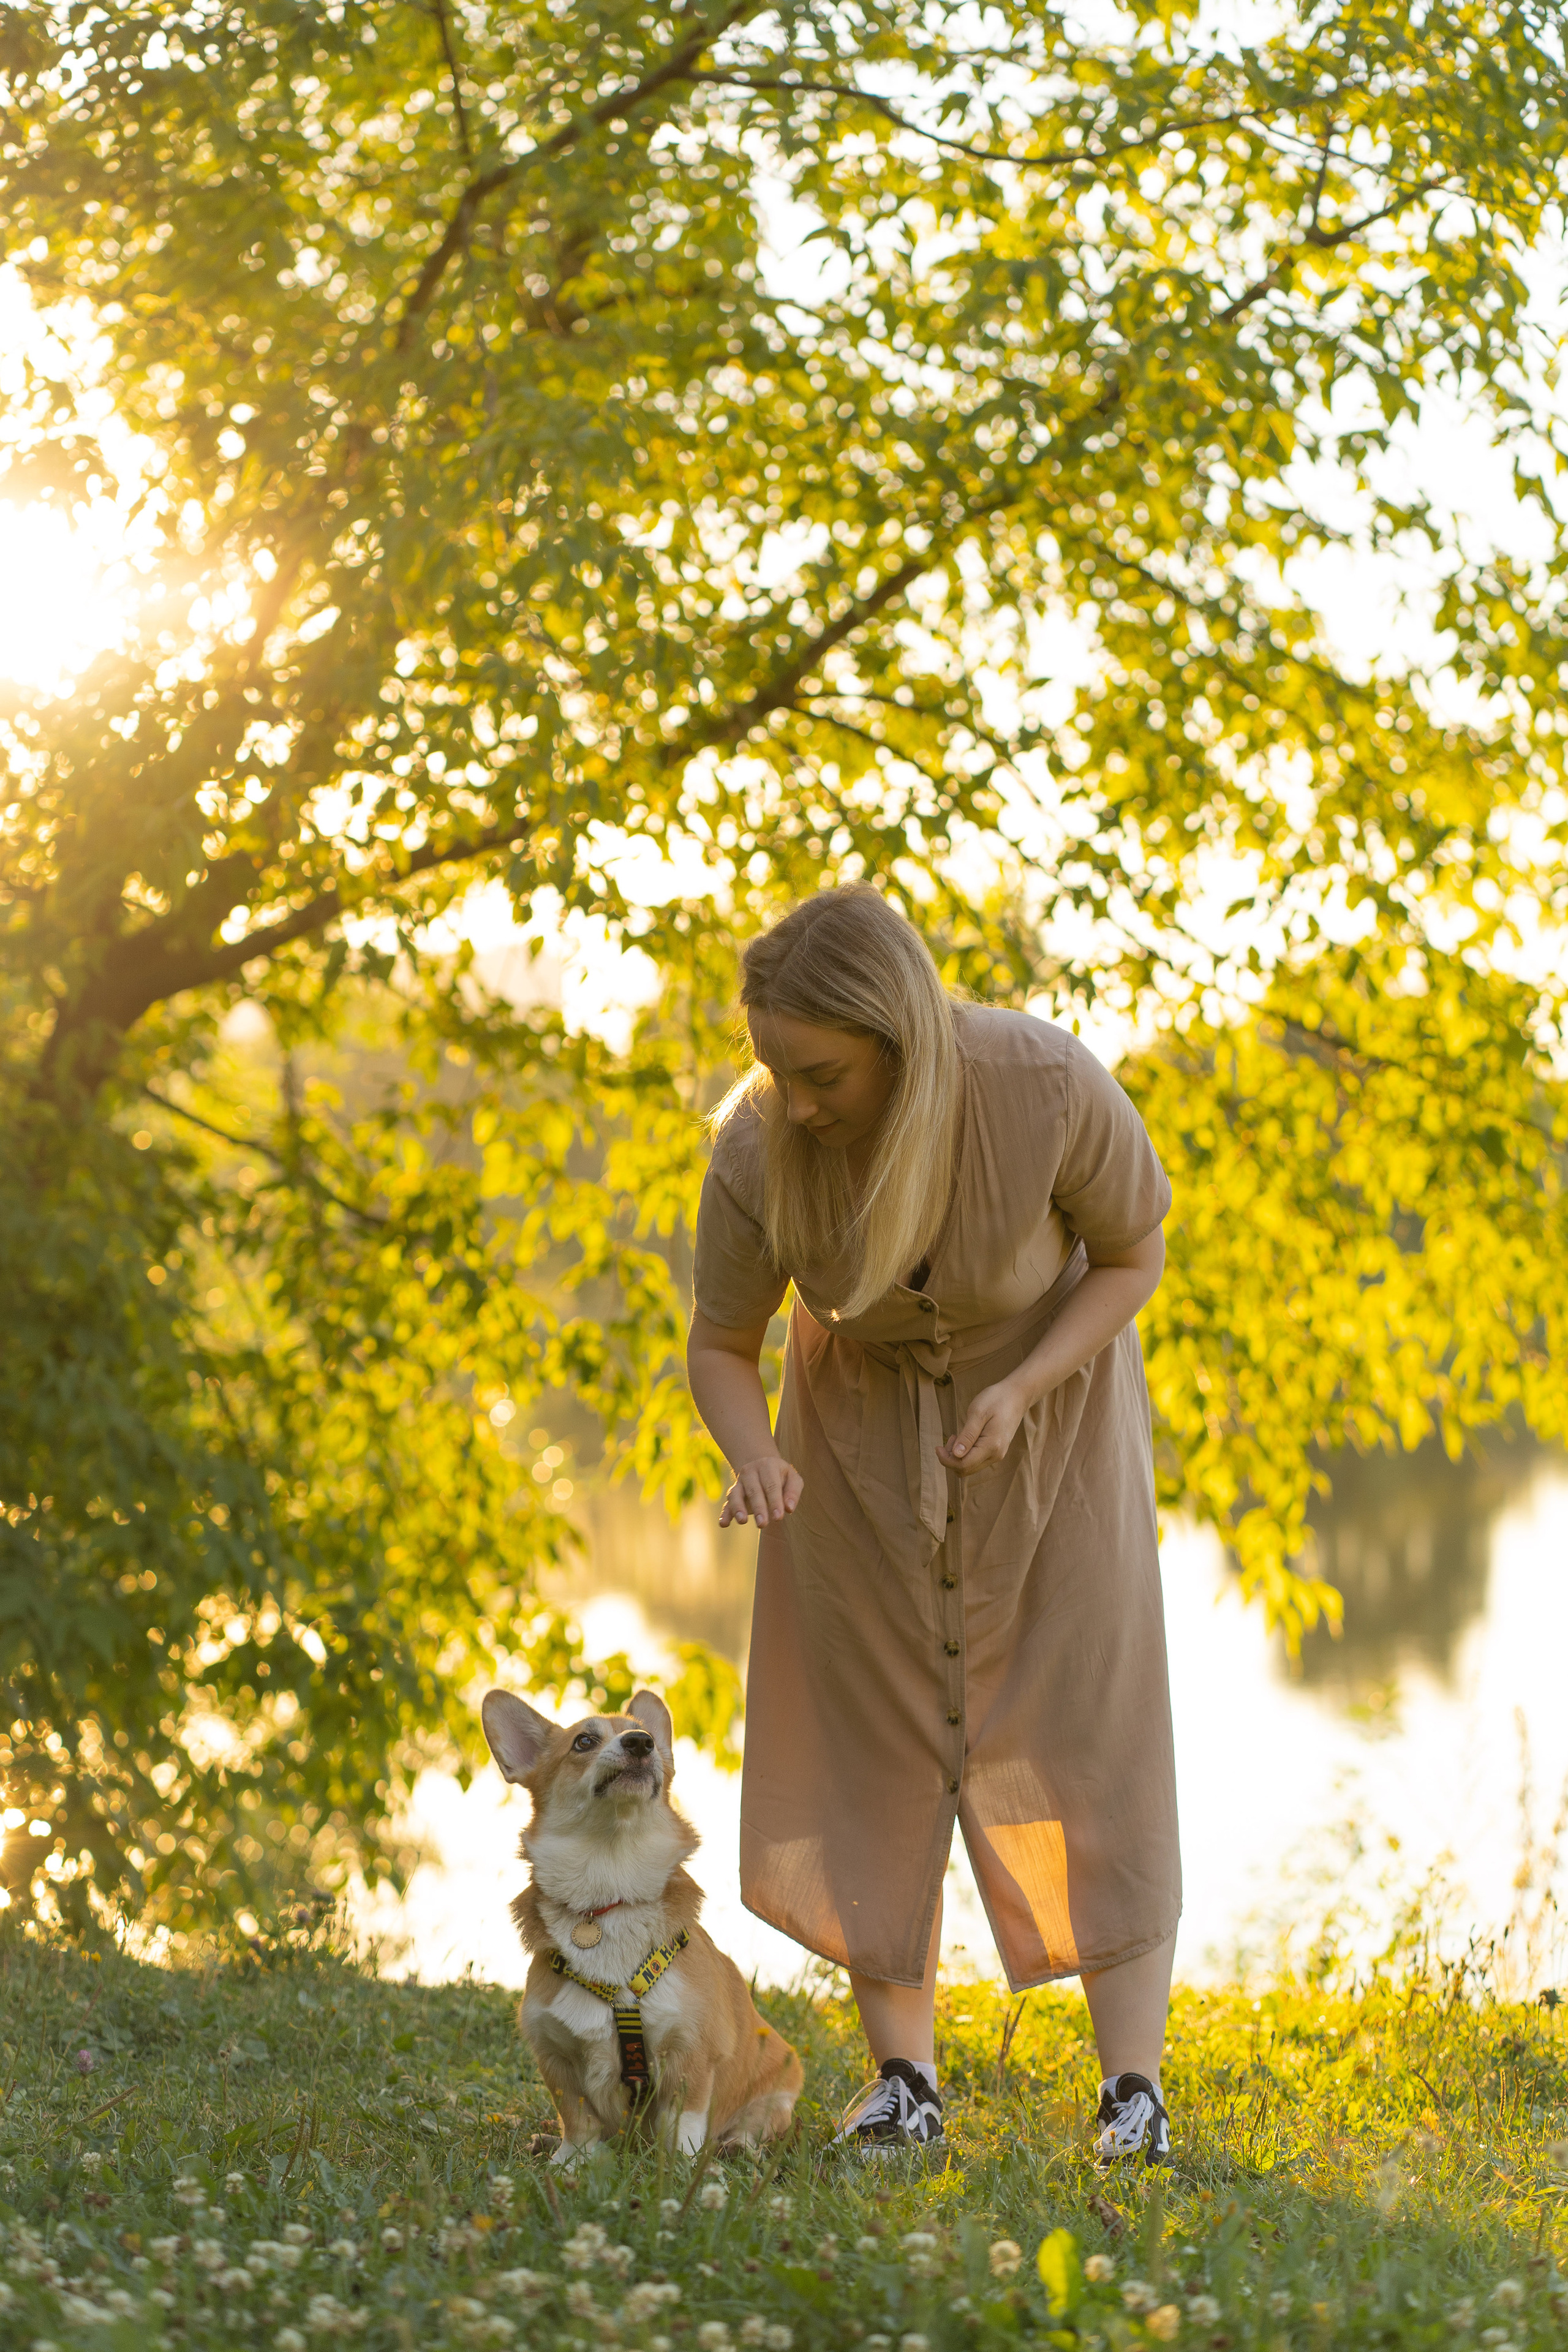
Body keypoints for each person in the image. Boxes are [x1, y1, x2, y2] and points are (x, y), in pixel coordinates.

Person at [686, 887, 1180, 2163]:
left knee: (1090, 1730)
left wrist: (1024, 1387)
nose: (798, 1103)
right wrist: (756, 1457)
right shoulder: (755, 1147)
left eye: (824, 1075)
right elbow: (721, 1344)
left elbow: (1132, 1254)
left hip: (1054, 1427)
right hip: (852, 1450)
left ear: (900, 1040)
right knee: (875, 1741)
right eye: (777, 1071)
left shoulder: (1044, 1085)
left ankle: (1132, 2092)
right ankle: (903, 2084)